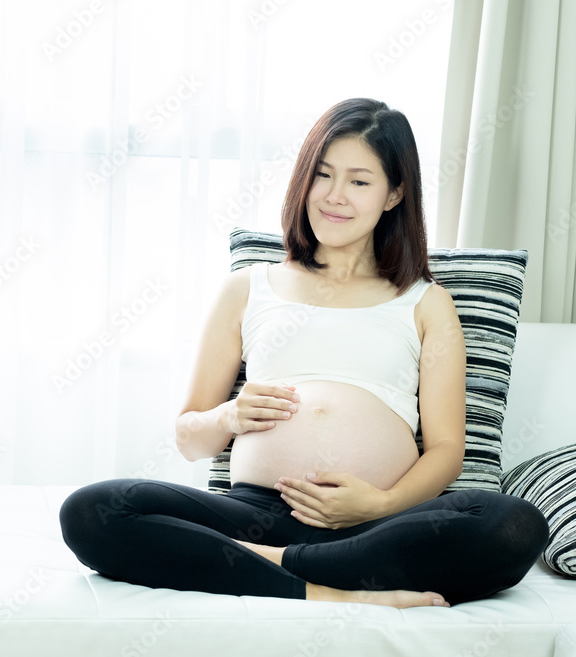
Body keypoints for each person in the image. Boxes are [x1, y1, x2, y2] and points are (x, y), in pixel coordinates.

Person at [60, 98, 549, 608]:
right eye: (323, 175)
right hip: (253, 515)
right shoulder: (248, 288)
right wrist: (228, 416)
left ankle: (257, 565)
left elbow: (447, 450)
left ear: (394, 194)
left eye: (359, 181)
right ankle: (331, 589)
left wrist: (379, 503)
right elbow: (189, 440)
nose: (335, 196)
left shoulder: (426, 301)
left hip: (377, 523)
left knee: (513, 525)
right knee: (92, 511)